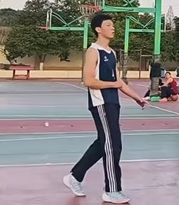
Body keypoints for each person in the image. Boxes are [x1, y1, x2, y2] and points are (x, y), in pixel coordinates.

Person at [63, 13, 147, 204]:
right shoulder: (93, 51)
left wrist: (137, 97)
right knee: (112, 146)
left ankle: (75, 176)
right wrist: (112, 85)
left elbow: (118, 82)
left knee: (104, 143)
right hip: (100, 103)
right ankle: (112, 190)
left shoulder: (111, 53)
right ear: (98, 29)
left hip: (113, 103)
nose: (113, 27)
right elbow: (88, 80)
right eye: (108, 25)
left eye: (112, 25)